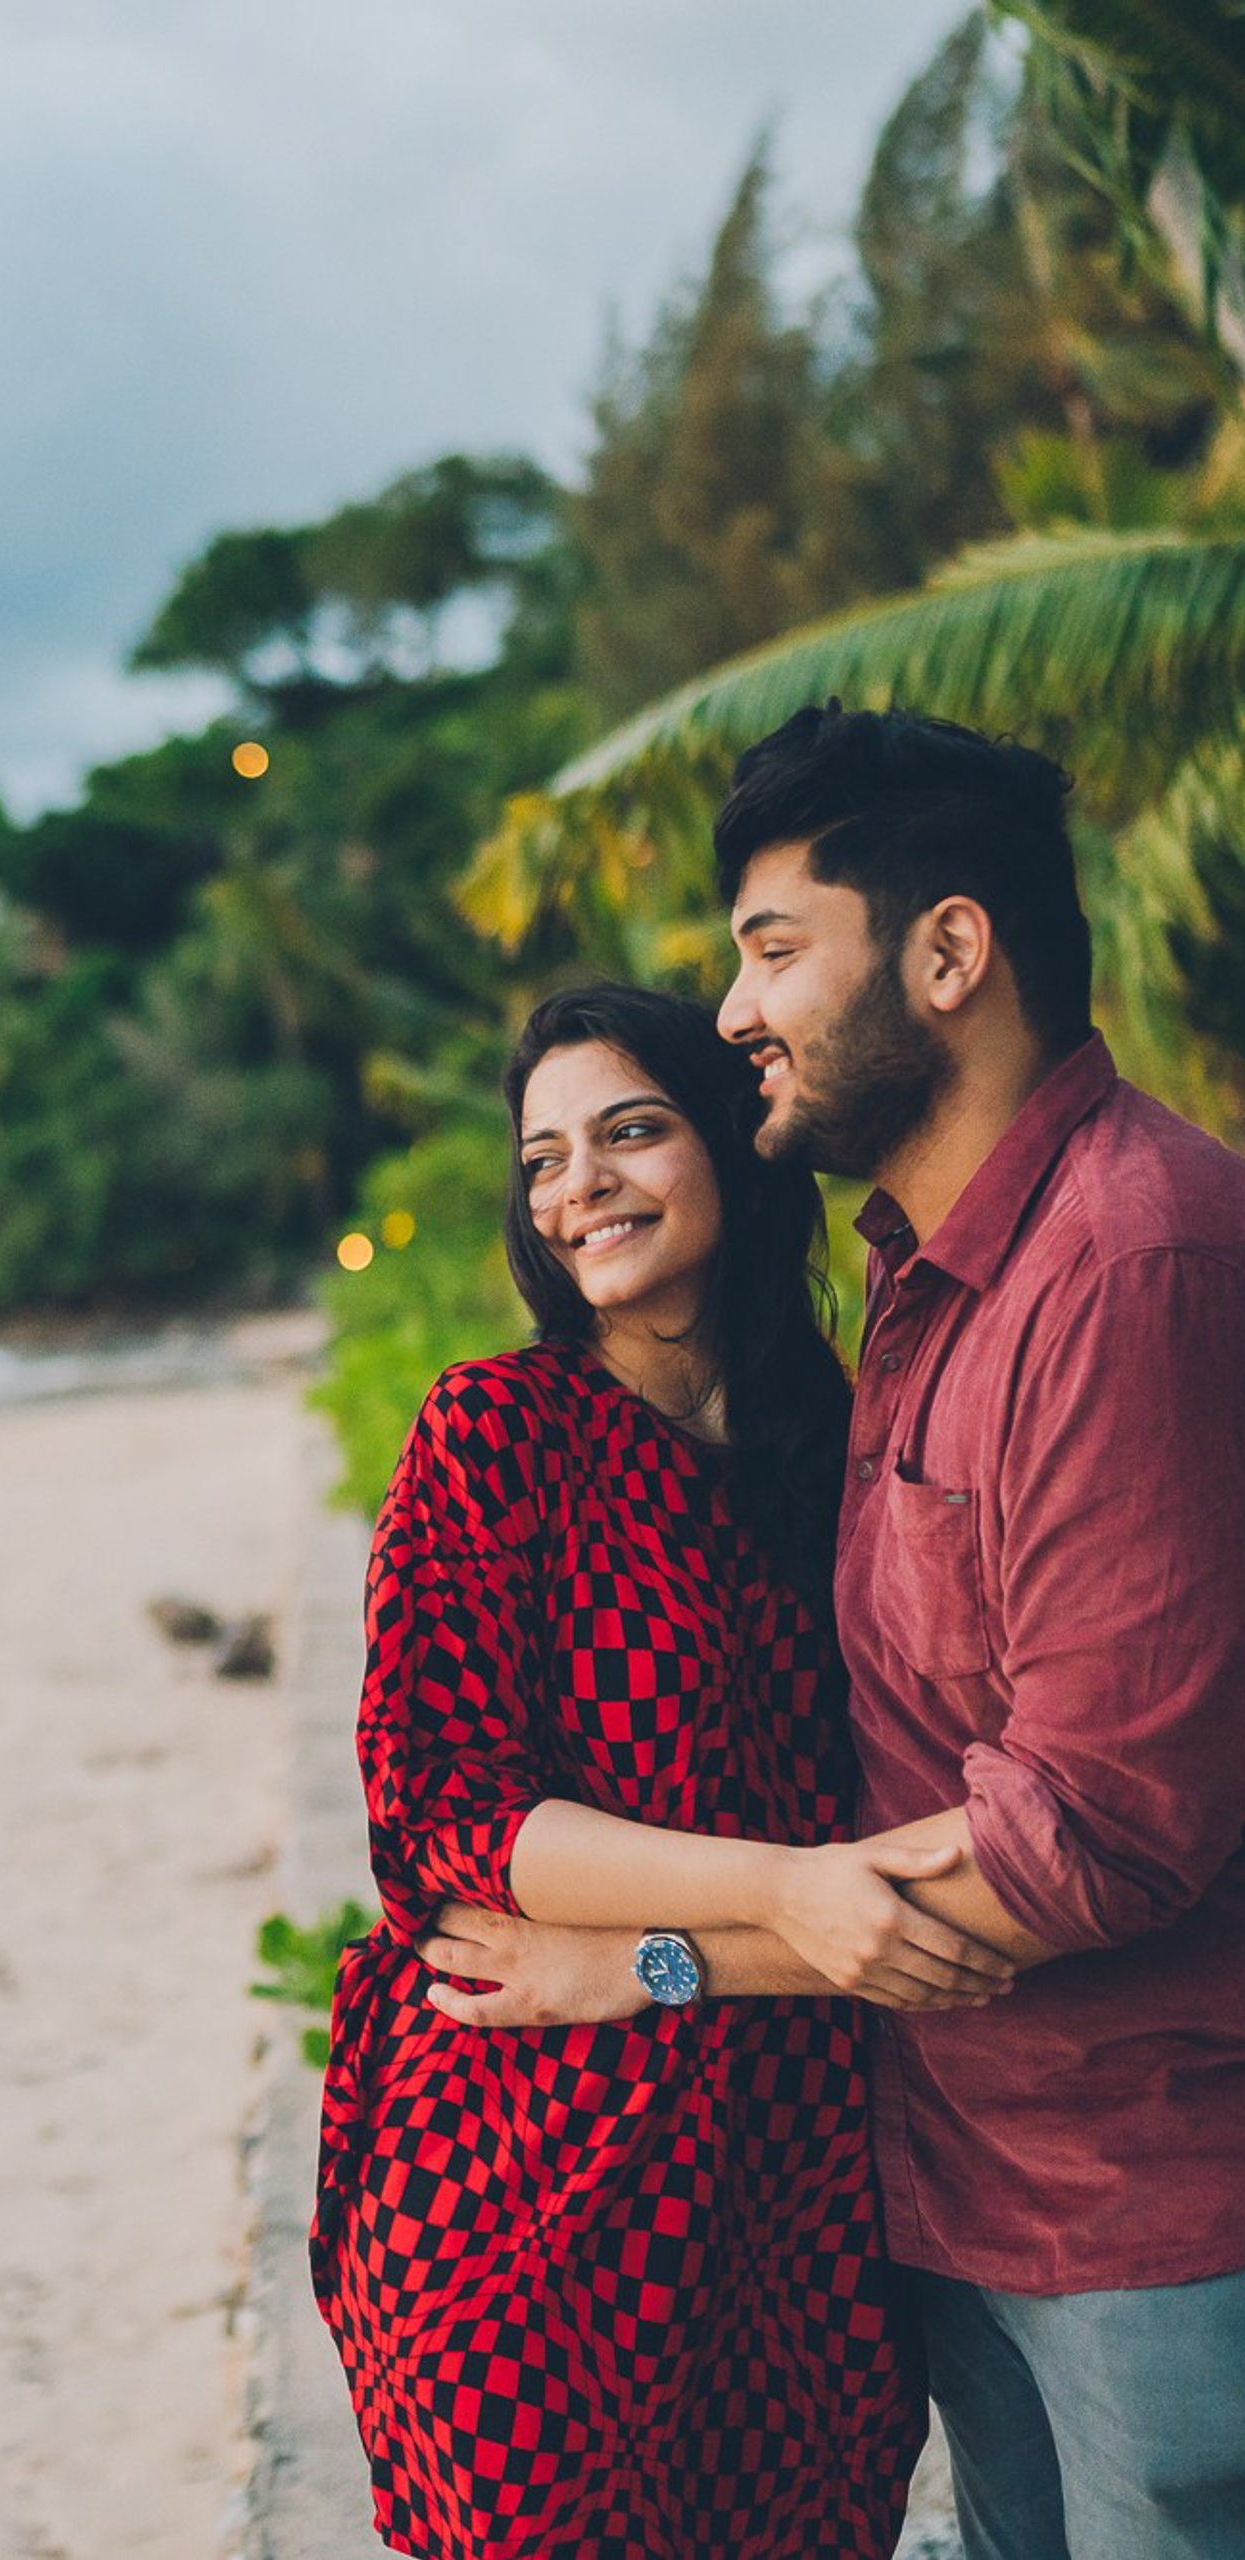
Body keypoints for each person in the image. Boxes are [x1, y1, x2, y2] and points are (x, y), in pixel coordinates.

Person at [426, 705, 1245, 2558]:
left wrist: (649, 1962)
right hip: (945, 2186)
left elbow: (1093, 1828)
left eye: (774, 948)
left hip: (1145, 2213)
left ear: (951, 955)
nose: (735, 1010)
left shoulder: (1131, 1262)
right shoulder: (920, 1286)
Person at [310, 981, 996, 2560]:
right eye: (542, 1158)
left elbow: (908, 1888)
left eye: (630, 1132)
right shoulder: (496, 1432)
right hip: (518, 2177)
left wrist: (645, 1964)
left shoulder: (848, 1437)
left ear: (735, 1145)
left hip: (799, 2185)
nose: (578, 1188)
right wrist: (787, 1895)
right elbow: (445, 1819)